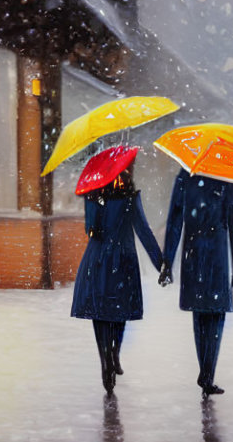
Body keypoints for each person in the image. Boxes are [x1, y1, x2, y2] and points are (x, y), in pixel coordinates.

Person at [70, 146, 163, 393]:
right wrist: (160, 262)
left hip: (104, 259)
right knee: (114, 312)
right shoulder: (126, 197)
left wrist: (95, 202)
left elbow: (94, 229)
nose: (132, 168)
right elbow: (139, 231)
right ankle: (111, 356)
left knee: (105, 314)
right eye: (130, 164)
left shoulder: (104, 194)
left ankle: (109, 358)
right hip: (118, 260)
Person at [159, 168, 233, 397]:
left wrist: (168, 260)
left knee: (199, 315)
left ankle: (206, 373)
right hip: (217, 254)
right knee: (216, 315)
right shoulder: (225, 178)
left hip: (193, 253)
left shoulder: (185, 176)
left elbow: (175, 220)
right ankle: (207, 374)